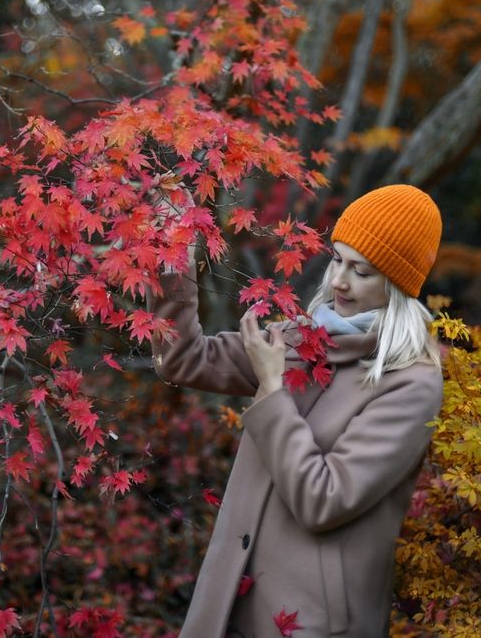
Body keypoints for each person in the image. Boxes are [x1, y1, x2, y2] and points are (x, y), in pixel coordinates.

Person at [150, 184, 444, 637]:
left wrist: (271, 387)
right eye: (338, 260)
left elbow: (324, 500)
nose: (340, 281)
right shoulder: (303, 339)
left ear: (397, 284)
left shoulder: (412, 383)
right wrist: (173, 257)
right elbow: (183, 359)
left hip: (311, 623)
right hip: (233, 598)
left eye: (362, 271)